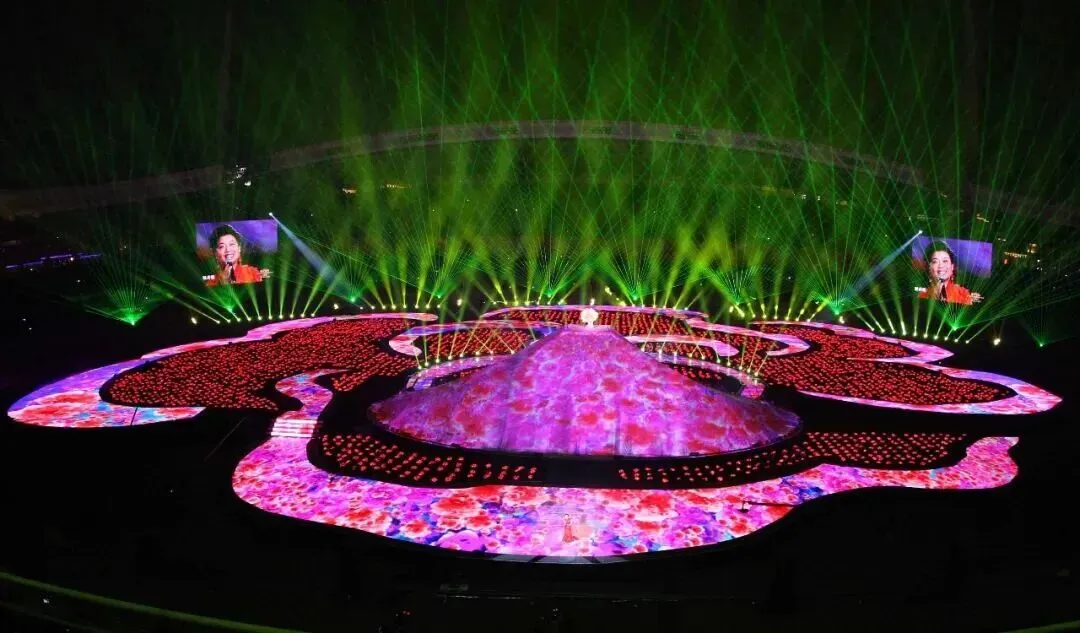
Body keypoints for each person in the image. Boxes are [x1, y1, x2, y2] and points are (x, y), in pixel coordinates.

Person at [205, 224, 271, 287]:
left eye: (232, 244)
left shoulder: (252, 273)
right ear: (215, 252)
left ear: (239, 248)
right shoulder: (210, 281)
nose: (228, 250)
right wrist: (223, 281)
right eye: (221, 246)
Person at [917, 242, 982, 305]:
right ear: (928, 267)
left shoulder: (964, 295)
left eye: (945, 261)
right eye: (935, 261)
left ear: (952, 267)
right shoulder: (921, 295)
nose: (941, 266)